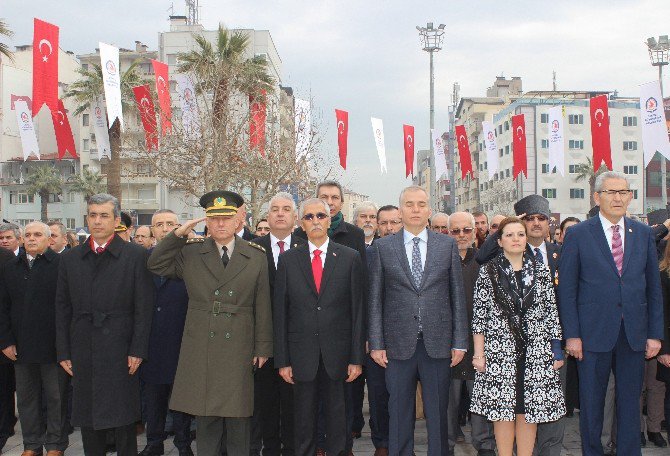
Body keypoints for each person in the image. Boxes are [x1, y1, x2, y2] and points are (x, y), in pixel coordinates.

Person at [147, 190, 272, 456]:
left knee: (239, 416)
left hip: (240, 341)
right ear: (206, 222)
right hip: (203, 342)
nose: (220, 224)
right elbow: (156, 265)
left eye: (226, 218)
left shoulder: (256, 255)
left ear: (238, 220)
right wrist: (177, 235)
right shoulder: (191, 252)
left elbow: (262, 303)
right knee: (207, 417)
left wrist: (262, 347)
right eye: (214, 219)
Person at [558, 171, 664, 456]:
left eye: (623, 192)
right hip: (591, 335)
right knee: (592, 404)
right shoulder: (579, 234)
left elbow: (653, 288)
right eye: (611, 192)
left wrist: (656, 334)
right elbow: (566, 290)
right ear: (597, 197)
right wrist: (572, 336)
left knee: (630, 403)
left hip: (633, 333)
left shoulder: (642, 233)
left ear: (630, 196)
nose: (618, 198)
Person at [368, 185, 468, 456]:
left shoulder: (446, 245)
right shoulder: (382, 247)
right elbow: (375, 299)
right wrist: (376, 342)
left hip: (438, 344)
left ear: (429, 209)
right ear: (400, 211)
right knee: (399, 412)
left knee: (438, 412)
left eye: (421, 204)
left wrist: (460, 341)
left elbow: (457, 296)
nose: (415, 209)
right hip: (397, 345)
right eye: (409, 204)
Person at [55, 193, 155, 456]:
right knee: (88, 416)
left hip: (120, 347)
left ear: (116, 220)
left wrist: (138, 349)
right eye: (92, 215)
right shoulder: (70, 258)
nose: (97, 221)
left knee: (123, 416)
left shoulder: (135, 256)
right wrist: (63, 351)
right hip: (83, 345)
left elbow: (143, 309)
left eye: (104, 216)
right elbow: (62, 308)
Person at [274, 197, 365, 456]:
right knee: (303, 422)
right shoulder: (289, 260)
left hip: (338, 355)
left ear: (329, 220)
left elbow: (358, 311)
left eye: (320, 216)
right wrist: (283, 360)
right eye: (309, 217)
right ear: (301, 224)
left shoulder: (350, 257)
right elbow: (281, 312)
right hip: (301, 355)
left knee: (338, 421)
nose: (315, 221)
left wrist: (356, 358)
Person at [470, 217, 565, 456]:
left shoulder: (541, 271)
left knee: (528, 409)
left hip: (536, 351)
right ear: (499, 241)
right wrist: (479, 354)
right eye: (509, 235)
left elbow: (551, 313)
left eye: (520, 235)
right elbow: (479, 317)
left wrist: (556, 350)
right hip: (499, 351)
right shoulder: (488, 272)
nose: (516, 239)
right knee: (503, 410)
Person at [0, 222, 69, 456]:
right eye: (27, 235)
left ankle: (55, 445)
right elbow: (3, 306)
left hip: (52, 346)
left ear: (49, 240)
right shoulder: (11, 267)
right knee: (27, 399)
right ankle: (31, 445)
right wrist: (6, 341)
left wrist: (65, 347)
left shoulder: (61, 265)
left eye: (37, 235)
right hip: (20, 347)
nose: (31, 239)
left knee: (55, 398)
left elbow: (67, 307)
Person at [250, 192, 306, 456]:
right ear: (267, 217)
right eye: (275, 209)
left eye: (286, 209)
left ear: (295, 217)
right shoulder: (252, 249)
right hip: (261, 338)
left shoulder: (307, 247)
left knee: (295, 403)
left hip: (298, 339)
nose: (280, 213)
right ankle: (269, 449)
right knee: (265, 402)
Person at [139, 209, 193, 456]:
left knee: (181, 398)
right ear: (152, 230)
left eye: (170, 223)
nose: (164, 228)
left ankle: (183, 445)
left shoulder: (192, 257)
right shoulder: (143, 259)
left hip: (182, 337)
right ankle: (154, 443)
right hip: (152, 340)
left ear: (179, 227)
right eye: (159, 224)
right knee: (154, 398)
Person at [446, 212, 496, 456]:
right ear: (448, 233)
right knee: (448, 402)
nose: (461, 235)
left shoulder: (486, 262)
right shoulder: (440, 261)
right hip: (449, 344)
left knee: (481, 399)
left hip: (480, 344)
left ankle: (484, 445)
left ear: (475, 231)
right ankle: (445, 445)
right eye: (455, 231)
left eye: (466, 230)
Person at [365, 205, 402, 456]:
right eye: (384, 223)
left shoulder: (413, 252)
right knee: (378, 396)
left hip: (407, 338)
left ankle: (402, 442)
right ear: (377, 226)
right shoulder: (368, 255)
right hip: (377, 338)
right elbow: (366, 300)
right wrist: (370, 336)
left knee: (402, 396)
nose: (389, 228)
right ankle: (382, 444)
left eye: (394, 222)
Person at [0, 222, 21, 451]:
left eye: (8, 237)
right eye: (1, 237)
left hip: (15, 335)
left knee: (8, 387)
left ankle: (5, 427)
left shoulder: (11, 261)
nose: (4, 241)